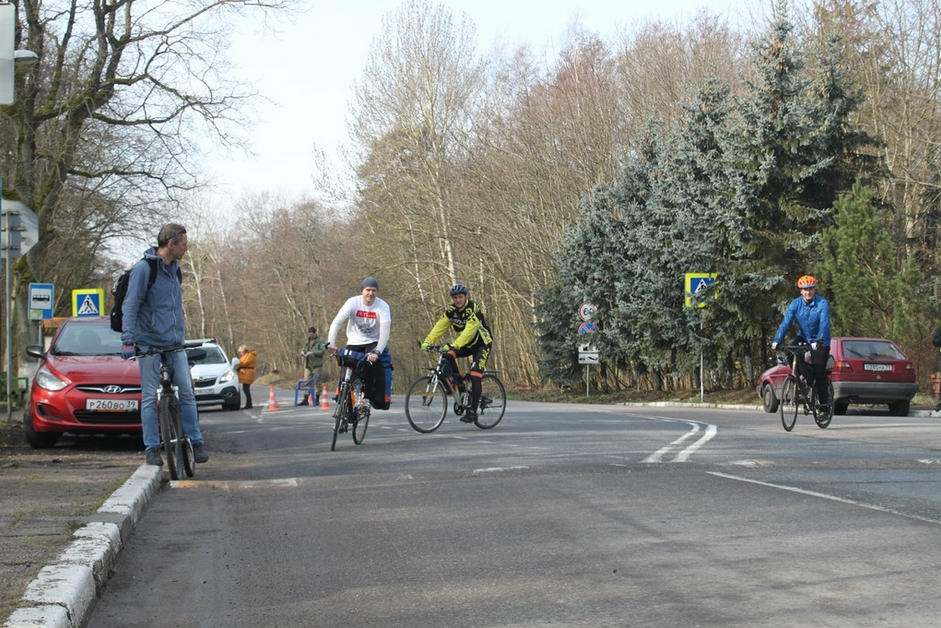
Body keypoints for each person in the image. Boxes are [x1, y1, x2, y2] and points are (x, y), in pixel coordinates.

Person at [120, 223, 208, 466]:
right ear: (171, 243)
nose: (186, 249)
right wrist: (128, 338)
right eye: (184, 244)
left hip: (174, 342)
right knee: (149, 396)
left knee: (187, 392)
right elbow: (130, 305)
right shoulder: (143, 269)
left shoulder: (175, 269)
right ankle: (151, 448)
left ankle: (195, 441)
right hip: (148, 342)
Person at [421, 283, 493, 423]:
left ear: (466, 297)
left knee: (475, 374)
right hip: (467, 344)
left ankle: (472, 411)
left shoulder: (473, 309)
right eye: (455, 298)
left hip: (482, 343)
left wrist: (454, 345)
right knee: (447, 356)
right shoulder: (451, 311)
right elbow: (440, 327)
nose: (458, 300)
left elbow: (469, 332)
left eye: (460, 297)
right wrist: (428, 341)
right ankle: (460, 386)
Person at [327, 277, 393, 413]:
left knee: (371, 364)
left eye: (374, 291)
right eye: (368, 290)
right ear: (362, 291)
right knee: (346, 365)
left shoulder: (383, 306)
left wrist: (377, 352)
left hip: (373, 342)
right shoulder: (352, 303)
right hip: (354, 341)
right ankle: (345, 396)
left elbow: (385, 333)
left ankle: (366, 398)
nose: (370, 293)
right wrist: (331, 343)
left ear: (377, 292)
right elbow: (337, 323)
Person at [771, 275, 831, 411]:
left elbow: (824, 324)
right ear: (801, 291)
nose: (808, 292)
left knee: (819, 372)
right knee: (789, 351)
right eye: (805, 289)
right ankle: (803, 378)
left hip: (821, 340)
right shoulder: (795, 304)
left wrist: (819, 340)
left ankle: (824, 405)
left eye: (810, 289)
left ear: (814, 290)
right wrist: (777, 340)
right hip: (804, 337)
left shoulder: (822, 303)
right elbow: (786, 322)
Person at [300, 327, 326, 405]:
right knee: (306, 381)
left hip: (316, 365)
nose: (310, 334)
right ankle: (306, 399)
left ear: (315, 333)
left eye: (312, 333)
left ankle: (317, 399)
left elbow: (322, 351)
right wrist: (303, 352)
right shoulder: (307, 341)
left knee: (317, 381)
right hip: (308, 364)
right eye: (309, 333)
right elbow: (304, 349)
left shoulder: (320, 341)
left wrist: (312, 353)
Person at [236, 345, 257, 409]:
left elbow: (244, 363)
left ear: (244, 351)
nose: (240, 353)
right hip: (246, 373)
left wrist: (238, 366)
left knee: (246, 389)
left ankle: (249, 404)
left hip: (248, 373)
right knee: (246, 389)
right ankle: (248, 404)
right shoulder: (245, 355)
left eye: (240, 352)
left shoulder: (250, 355)